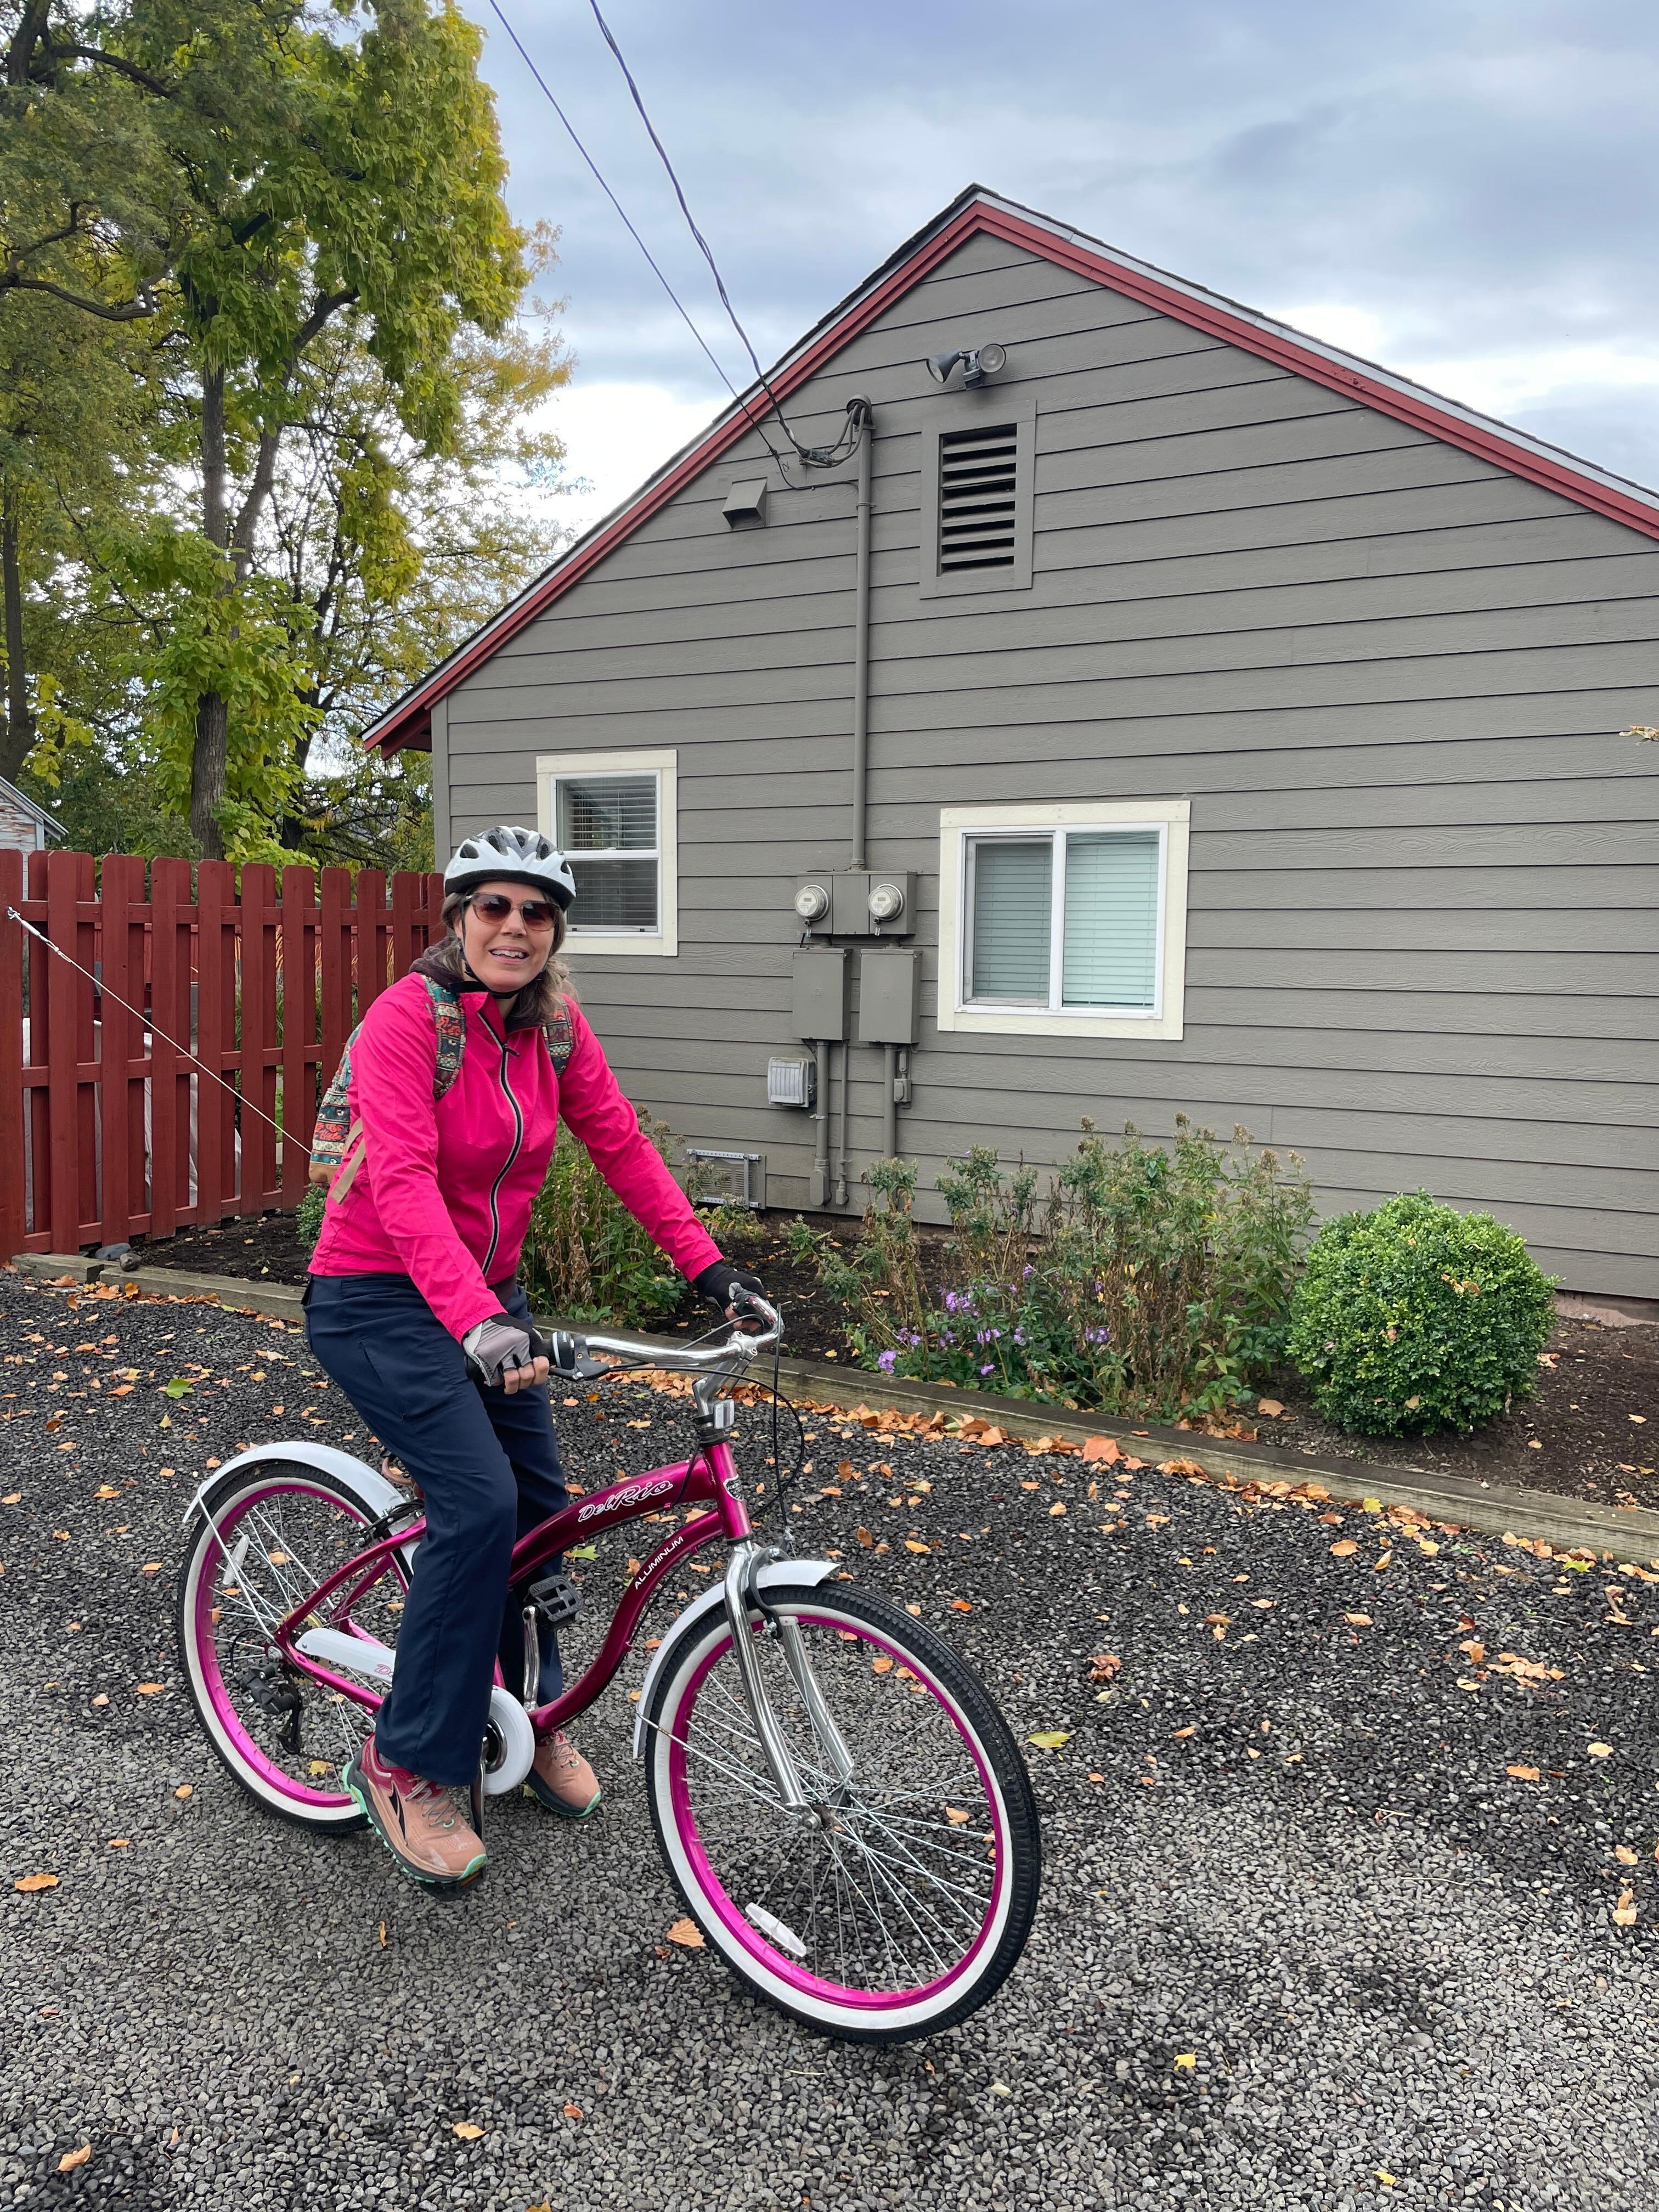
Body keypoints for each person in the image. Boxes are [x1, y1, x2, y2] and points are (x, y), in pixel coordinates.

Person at [304, 826, 768, 1890]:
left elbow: (622, 1146)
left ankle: (527, 1710)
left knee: (543, 1509)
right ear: (460, 919)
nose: (514, 927)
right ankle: (408, 1757)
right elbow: (404, 1188)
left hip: (483, 1303)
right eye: (493, 907)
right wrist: (474, 1320)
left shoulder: (553, 1029)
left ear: (556, 933)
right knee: (476, 1506)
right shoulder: (403, 1023)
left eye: (536, 912)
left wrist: (712, 1272)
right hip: (377, 1298)